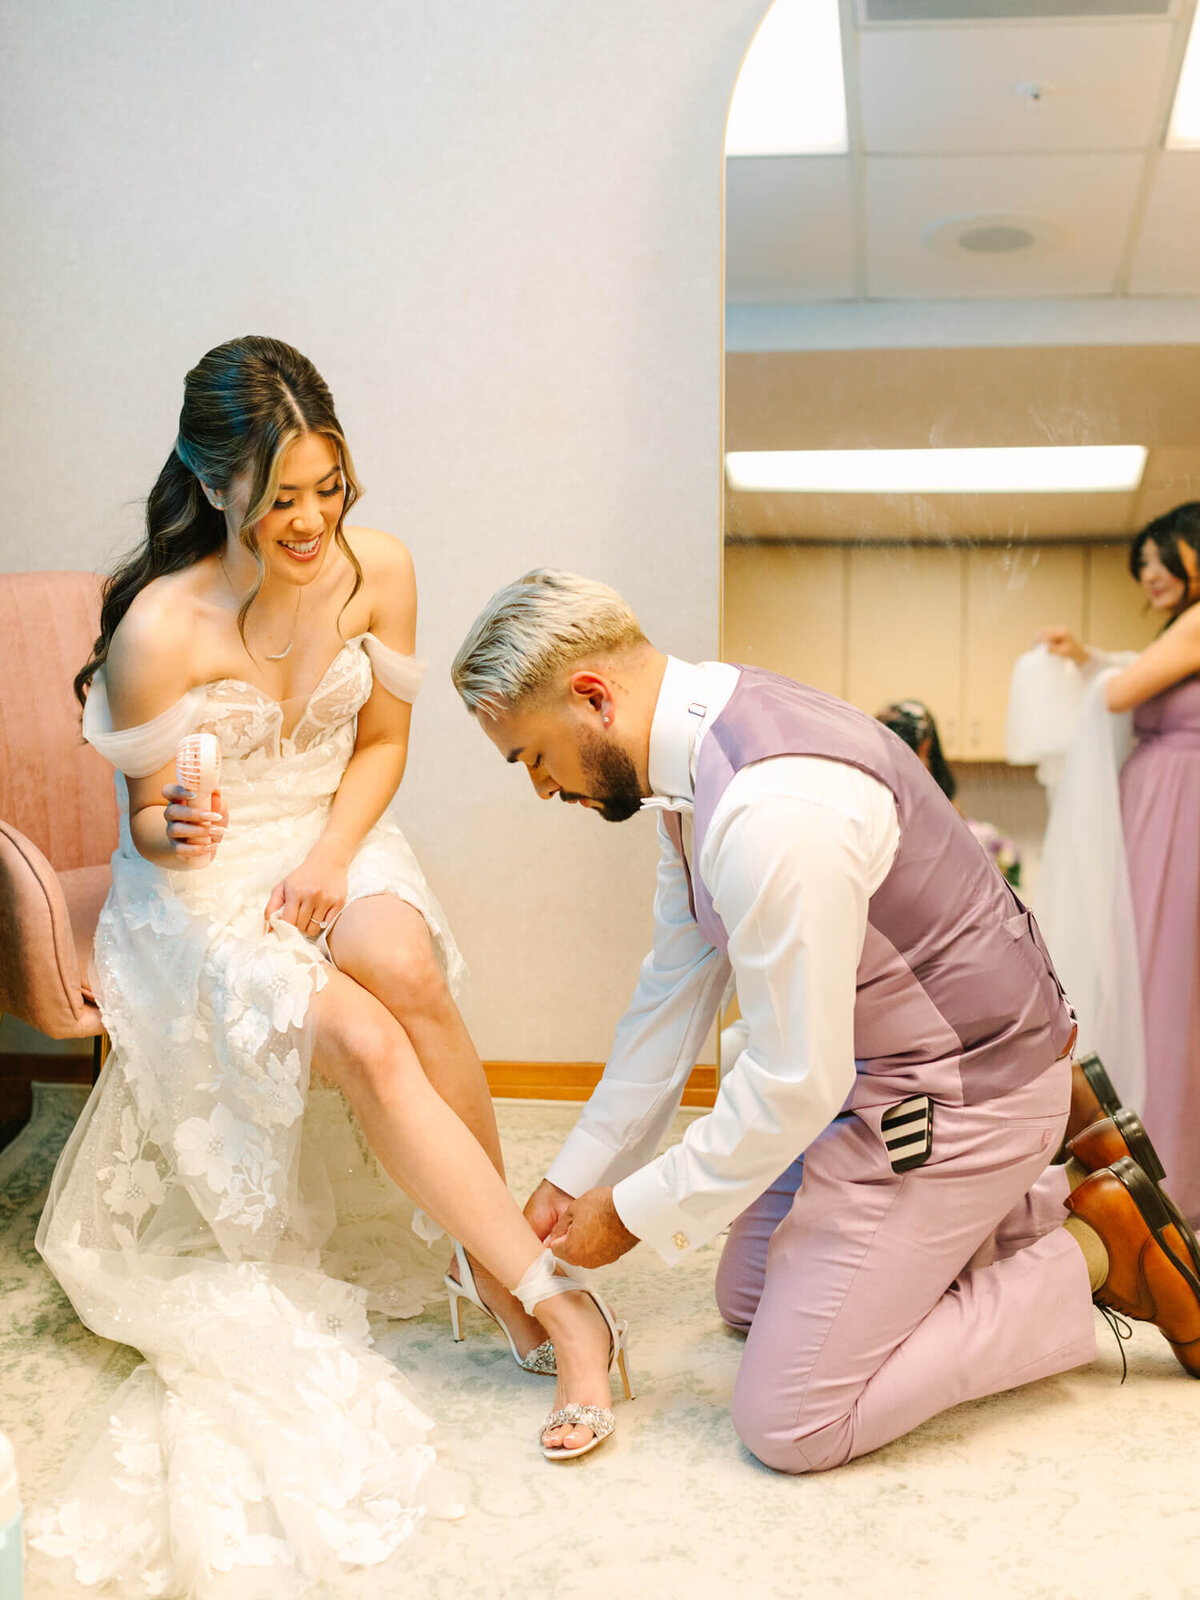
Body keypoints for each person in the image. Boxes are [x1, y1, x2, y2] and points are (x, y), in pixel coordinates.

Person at [31, 342, 626, 1599]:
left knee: (402, 961)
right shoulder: (156, 625)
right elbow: (142, 821)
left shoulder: (381, 567)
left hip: (328, 826)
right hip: (200, 887)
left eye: (329, 487)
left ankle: (494, 1253)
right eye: (281, 496)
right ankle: (557, 1307)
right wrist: (168, 830)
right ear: (213, 481)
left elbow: (386, 739)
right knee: (357, 1036)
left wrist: (337, 857)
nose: (311, 523)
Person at [450, 567, 1200, 1475]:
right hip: (873, 1078)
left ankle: (1090, 1250)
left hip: (962, 1095)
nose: (541, 787)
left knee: (792, 1417)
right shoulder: (689, 764)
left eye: (533, 756)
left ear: (593, 698)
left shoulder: (773, 809)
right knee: (748, 1295)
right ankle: (1031, 1210)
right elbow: (671, 993)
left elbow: (792, 1083)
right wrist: (575, 1179)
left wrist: (635, 1212)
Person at [1037, 503, 1200, 1228]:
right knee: (1160, 986)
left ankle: (1166, 1178)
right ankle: (1156, 1166)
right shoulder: (1181, 631)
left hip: (1179, 814)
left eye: (1165, 558)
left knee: (1165, 987)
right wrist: (1088, 656)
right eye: (1143, 564)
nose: (1151, 574)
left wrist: (1091, 674)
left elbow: (1124, 691)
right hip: (1164, 810)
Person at [876, 699, 1021, 886]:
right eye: (920, 752)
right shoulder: (884, 789)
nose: (923, 760)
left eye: (926, 753)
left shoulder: (939, 792)